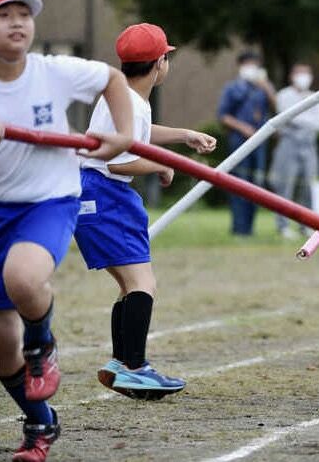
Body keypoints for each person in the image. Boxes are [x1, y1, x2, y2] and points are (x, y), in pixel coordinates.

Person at [0, 0, 133, 461]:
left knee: (23, 278)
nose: (18, 22)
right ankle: (41, 424)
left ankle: (42, 345)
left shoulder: (53, 72)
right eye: (3, 15)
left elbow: (113, 78)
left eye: (24, 14)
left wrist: (124, 135)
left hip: (50, 201)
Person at [74, 23, 217, 399]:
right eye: (166, 57)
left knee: (128, 285)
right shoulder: (131, 102)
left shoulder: (123, 97)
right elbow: (118, 162)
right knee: (142, 284)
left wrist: (184, 135)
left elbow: (138, 134)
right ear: (159, 63)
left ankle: (122, 363)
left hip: (93, 194)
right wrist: (162, 165)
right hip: (106, 195)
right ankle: (135, 368)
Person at [218, 50, 276, 236]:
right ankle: (239, 228)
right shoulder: (232, 88)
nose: (252, 67)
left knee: (256, 184)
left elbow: (277, 108)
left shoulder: (262, 88)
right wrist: (243, 128)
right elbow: (223, 116)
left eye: (255, 64)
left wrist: (267, 87)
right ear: (240, 66)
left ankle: (249, 228)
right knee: (238, 183)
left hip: (259, 144)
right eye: (248, 64)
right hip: (239, 141)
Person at [269, 62, 319, 239]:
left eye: (306, 73)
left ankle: (306, 225)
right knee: (285, 185)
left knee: (309, 186)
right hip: (288, 144)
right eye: (299, 73)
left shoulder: (315, 96)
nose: (303, 77)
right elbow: (286, 115)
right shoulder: (284, 95)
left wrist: (299, 118)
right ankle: (282, 226)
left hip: (309, 146)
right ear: (292, 76)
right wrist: (307, 119)